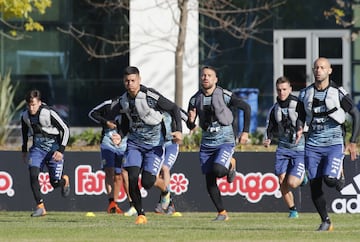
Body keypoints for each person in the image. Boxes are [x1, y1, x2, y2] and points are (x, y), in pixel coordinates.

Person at [298, 57, 360, 231]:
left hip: (334, 142)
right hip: (312, 143)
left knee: (330, 180)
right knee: (315, 184)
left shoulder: (338, 92)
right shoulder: (305, 93)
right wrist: (298, 129)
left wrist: (353, 141)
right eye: (316, 67)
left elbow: (356, 113)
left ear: (329, 71)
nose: (318, 70)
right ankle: (325, 221)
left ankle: (339, 173)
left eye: (322, 67)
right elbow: (301, 116)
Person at [116, 66, 183, 224]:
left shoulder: (150, 96)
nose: (130, 84)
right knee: (132, 176)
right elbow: (126, 122)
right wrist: (120, 135)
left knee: (147, 182)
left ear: (139, 80)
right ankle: (141, 214)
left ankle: (166, 192)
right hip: (134, 144)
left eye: (133, 80)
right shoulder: (123, 100)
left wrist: (179, 130)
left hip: (154, 146)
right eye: (127, 81)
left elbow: (174, 108)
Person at [186, 66, 251, 221]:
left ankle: (230, 164)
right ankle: (222, 213)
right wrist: (190, 121)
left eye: (209, 75)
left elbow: (246, 108)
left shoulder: (224, 94)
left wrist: (245, 131)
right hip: (207, 143)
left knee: (219, 170)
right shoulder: (194, 99)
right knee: (209, 180)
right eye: (203, 75)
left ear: (215, 79)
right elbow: (190, 125)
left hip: (225, 141)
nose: (205, 78)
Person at [21, 89, 70, 217]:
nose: (31, 108)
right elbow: (24, 133)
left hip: (54, 151)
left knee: (54, 183)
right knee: (33, 174)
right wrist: (24, 150)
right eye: (29, 105)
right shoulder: (25, 116)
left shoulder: (48, 113)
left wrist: (61, 150)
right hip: (37, 150)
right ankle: (40, 206)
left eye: (34, 105)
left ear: (40, 103)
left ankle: (64, 181)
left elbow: (65, 129)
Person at [263, 76, 308, 219]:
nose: (281, 92)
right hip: (283, 148)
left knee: (292, 183)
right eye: (279, 90)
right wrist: (268, 138)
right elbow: (270, 125)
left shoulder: (298, 104)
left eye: (284, 89)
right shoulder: (274, 108)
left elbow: (304, 119)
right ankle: (292, 210)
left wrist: (301, 129)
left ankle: (303, 177)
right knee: (281, 180)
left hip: (299, 148)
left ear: (290, 89)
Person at [88, 97, 128, 214]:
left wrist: (121, 134)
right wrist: (106, 122)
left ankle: (131, 205)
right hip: (108, 142)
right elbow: (92, 113)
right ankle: (112, 204)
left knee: (120, 174)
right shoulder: (108, 104)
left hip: (124, 144)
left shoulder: (131, 105)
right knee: (109, 171)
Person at [154, 109, 188, 215]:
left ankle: (167, 202)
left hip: (171, 145)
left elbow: (187, 118)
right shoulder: (151, 109)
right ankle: (170, 203)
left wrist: (189, 126)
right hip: (157, 145)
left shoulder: (172, 108)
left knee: (165, 168)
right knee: (156, 176)